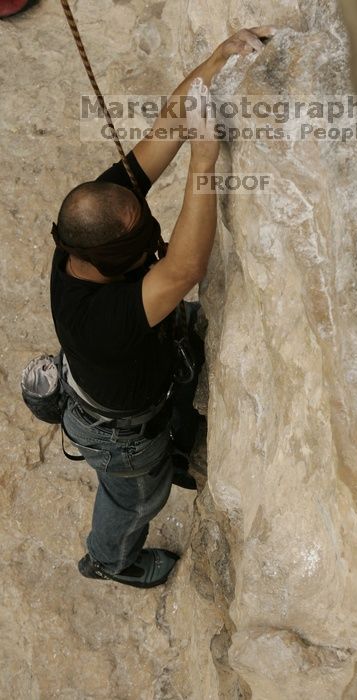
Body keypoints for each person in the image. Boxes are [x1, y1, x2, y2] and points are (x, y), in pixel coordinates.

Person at [50, 26, 275, 589]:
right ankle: (109, 559)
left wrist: (219, 57)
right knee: (134, 499)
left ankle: (170, 449)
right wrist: (205, 161)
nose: (144, 210)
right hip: (120, 430)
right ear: (114, 258)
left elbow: (168, 123)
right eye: (141, 230)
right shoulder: (99, 321)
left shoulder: (95, 219)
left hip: (137, 374)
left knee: (174, 372)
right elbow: (183, 269)